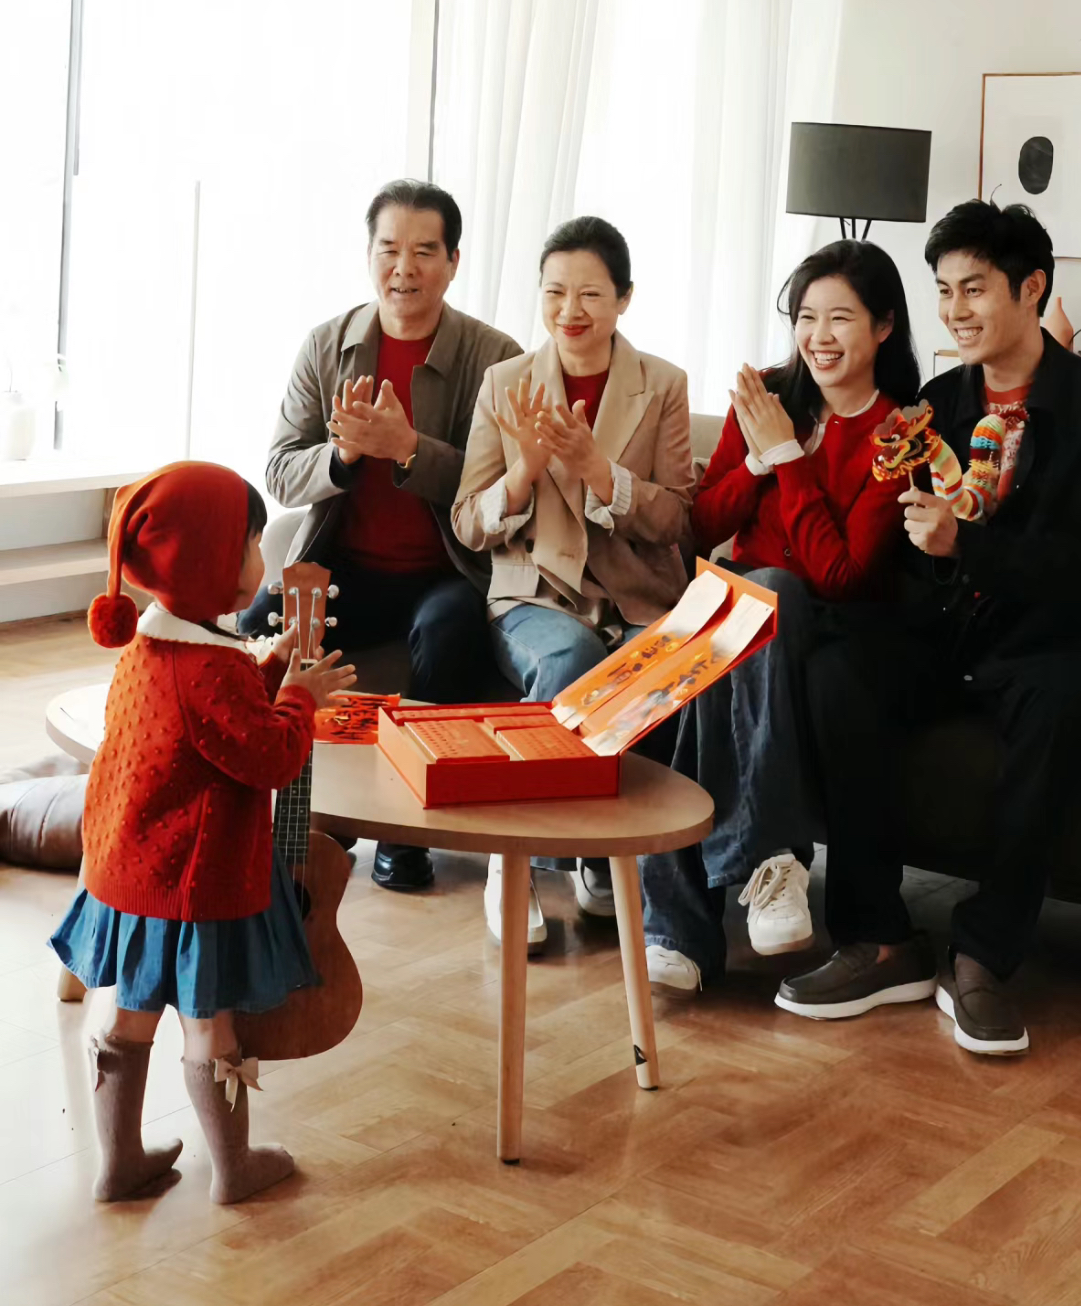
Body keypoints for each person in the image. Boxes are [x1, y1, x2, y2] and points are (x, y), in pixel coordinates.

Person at [777, 200, 1081, 1055]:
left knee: (1055, 706)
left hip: (1059, 640)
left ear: (1032, 287)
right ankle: (879, 939)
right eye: (944, 291)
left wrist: (967, 544)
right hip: (954, 634)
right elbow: (912, 554)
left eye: (973, 289)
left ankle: (982, 955)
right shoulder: (937, 403)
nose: (954, 310)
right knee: (839, 670)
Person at [50, 462, 357, 1203]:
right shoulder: (207, 672)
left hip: (132, 877)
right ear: (212, 560)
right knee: (210, 1027)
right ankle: (235, 1166)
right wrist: (298, 699)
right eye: (251, 542)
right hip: (195, 887)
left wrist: (272, 664)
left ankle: (119, 1163)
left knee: (129, 1018)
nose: (261, 557)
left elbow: (213, 722)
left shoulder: (155, 649)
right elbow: (268, 756)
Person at [639, 239, 921, 998]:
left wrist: (789, 460)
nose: (818, 336)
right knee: (693, 667)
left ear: (884, 326)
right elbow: (703, 526)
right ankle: (748, 882)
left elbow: (843, 574)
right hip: (739, 613)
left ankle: (694, 918)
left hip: (830, 620)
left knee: (768, 592)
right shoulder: (765, 396)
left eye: (840, 318)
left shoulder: (898, 433)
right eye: (805, 317)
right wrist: (760, 457)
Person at [239, 180, 521, 894]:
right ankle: (263, 811)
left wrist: (408, 449)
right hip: (346, 567)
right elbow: (279, 469)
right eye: (389, 249)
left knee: (449, 632)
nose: (405, 268)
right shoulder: (327, 344)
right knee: (256, 626)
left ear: (453, 262)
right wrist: (341, 457)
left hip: (448, 570)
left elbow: (503, 489)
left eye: (425, 251)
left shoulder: (495, 356)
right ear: (369, 255)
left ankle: (405, 833)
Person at [453, 216, 694, 948]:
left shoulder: (663, 385)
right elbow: (467, 521)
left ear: (624, 298)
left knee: (665, 673)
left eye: (590, 293)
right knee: (571, 660)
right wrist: (522, 473)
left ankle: (604, 856)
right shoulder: (505, 383)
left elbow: (678, 519)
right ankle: (515, 862)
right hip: (534, 594)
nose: (570, 310)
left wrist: (599, 470)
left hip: (638, 596)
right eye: (555, 291)